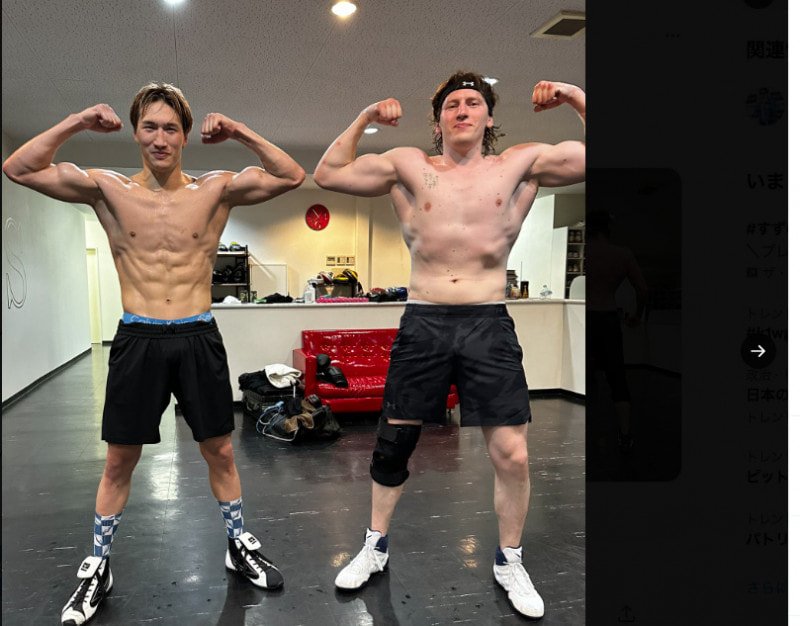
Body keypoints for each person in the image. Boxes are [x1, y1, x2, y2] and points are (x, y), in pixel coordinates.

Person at [2, 82, 305, 626]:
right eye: (150, 127)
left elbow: (290, 175)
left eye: (170, 128)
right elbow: (18, 168)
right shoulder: (107, 188)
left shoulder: (215, 189)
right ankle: (99, 564)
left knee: (221, 451)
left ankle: (237, 546)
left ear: (184, 135)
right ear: (136, 133)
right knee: (120, 460)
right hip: (138, 338)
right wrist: (77, 121)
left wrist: (238, 130)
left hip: (197, 335)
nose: (160, 138)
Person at [313, 71, 585, 619]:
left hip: (488, 320)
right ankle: (374, 546)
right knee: (393, 443)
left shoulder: (519, 164)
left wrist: (576, 97)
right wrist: (366, 117)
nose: (463, 110)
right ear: (438, 121)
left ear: (489, 116)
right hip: (425, 319)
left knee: (512, 452)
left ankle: (510, 559)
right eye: (452, 104)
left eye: (473, 102)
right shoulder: (409, 164)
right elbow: (328, 173)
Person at [585, 210, 648, 452]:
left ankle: (584, 435)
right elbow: (642, 290)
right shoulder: (622, 254)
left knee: (584, 375)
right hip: (607, 317)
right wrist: (637, 315)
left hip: (585, 316)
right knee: (617, 377)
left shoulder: (585, 252)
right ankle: (625, 434)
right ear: (607, 229)